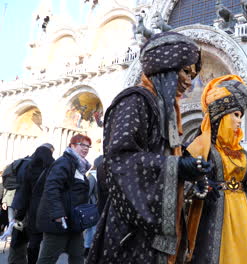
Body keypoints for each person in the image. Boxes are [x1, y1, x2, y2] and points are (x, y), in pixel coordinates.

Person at [88, 32, 211, 264]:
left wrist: (192, 173)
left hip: (160, 228)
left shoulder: (167, 111)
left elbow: (168, 154)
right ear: (165, 68)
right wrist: (177, 166)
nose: (189, 81)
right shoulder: (135, 100)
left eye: (193, 75)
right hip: (132, 226)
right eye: (185, 71)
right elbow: (119, 159)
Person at [185, 75, 247, 264]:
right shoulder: (200, 146)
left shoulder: (240, 151)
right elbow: (185, 180)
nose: (239, 121)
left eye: (241, 116)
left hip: (243, 213)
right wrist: (201, 185)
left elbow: (244, 180)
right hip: (215, 214)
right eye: (235, 115)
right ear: (222, 116)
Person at [36, 134, 92, 264]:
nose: (86, 148)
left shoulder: (79, 166)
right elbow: (51, 187)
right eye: (82, 145)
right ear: (72, 145)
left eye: (88, 146)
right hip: (59, 222)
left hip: (74, 221)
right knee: (48, 259)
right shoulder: (65, 162)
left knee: (78, 257)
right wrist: (58, 213)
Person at [11, 144, 55, 264]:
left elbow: (24, 194)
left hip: (33, 210)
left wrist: (19, 215)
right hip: (50, 210)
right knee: (49, 242)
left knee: (34, 241)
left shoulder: (29, 168)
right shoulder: (54, 169)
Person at [83, 156, 101, 257]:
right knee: (92, 228)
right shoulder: (93, 175)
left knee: (93, 228)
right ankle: (88, 248)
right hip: (93, 206)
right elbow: (88, 192)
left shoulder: (97, 174)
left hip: (97, 205)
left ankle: (89, 248)